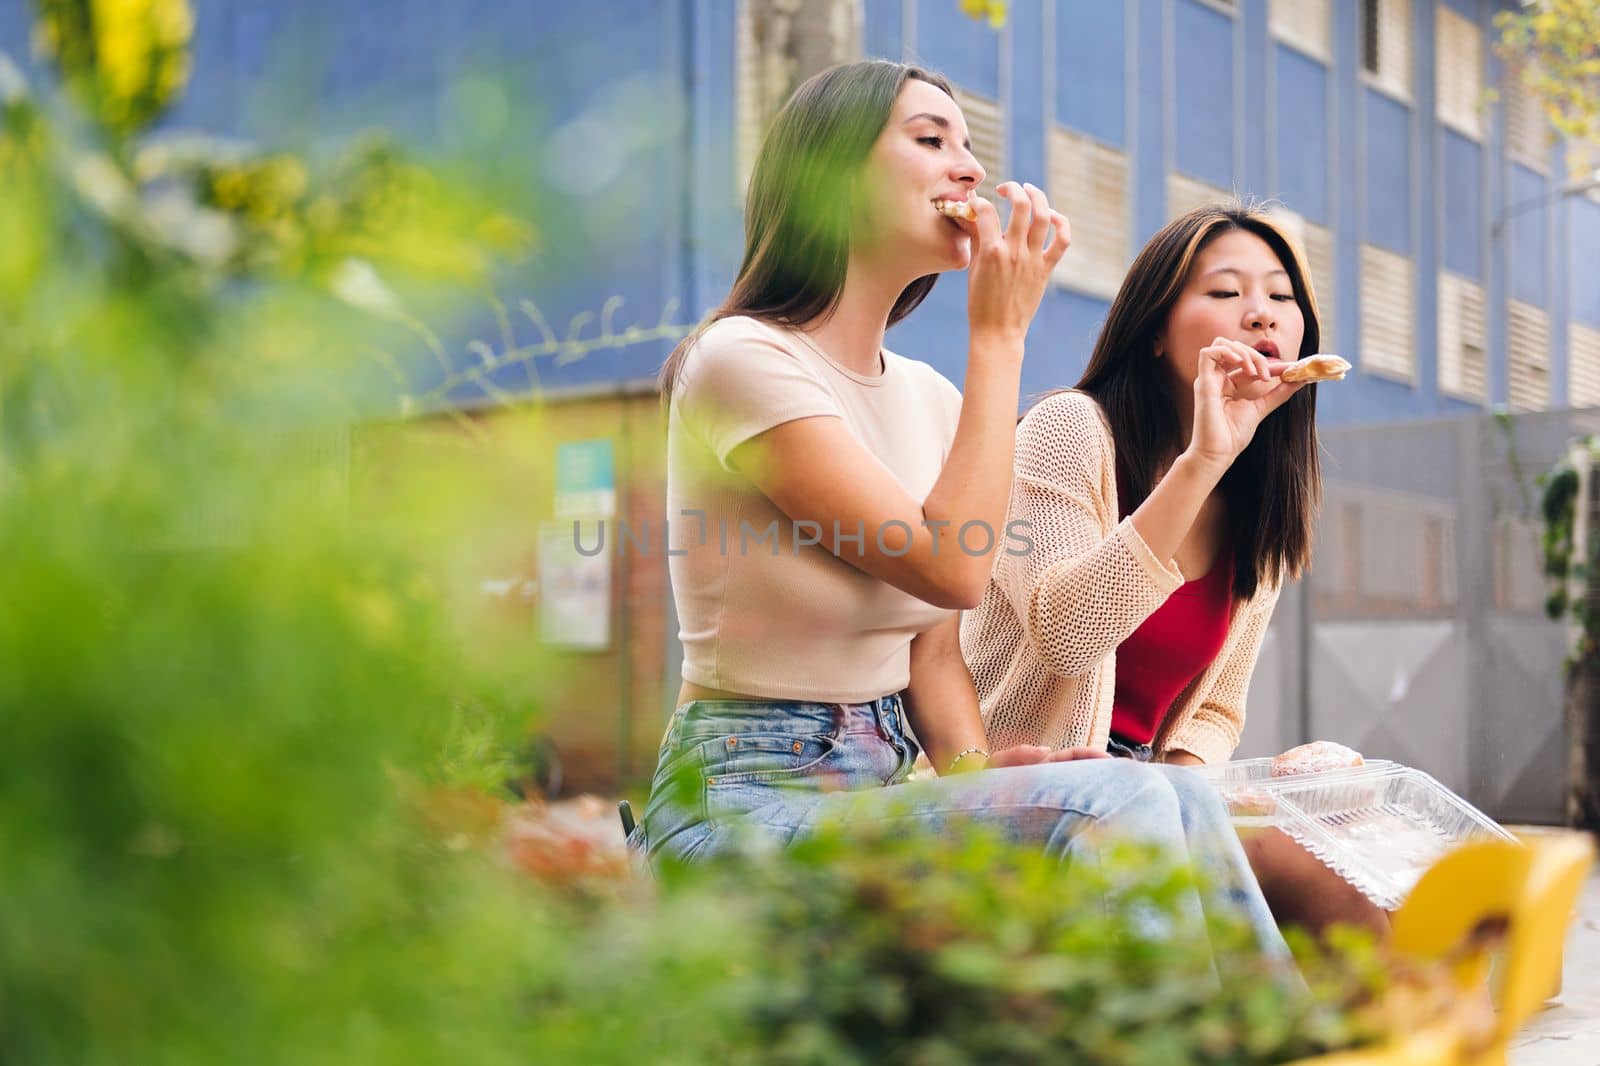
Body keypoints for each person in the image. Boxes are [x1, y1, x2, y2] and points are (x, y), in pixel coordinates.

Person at [633, 59, 1288, 957]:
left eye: (970, 143)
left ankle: (1272, 1037)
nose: (970, 168)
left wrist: (984, 777)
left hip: (886, 784)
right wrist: (1001, 335)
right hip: (743, 805)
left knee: (1176, 791)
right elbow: (951, 565)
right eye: (930, 139)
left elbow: (935, 646)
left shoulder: (933, 397)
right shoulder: (741, 361)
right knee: (1124, 797)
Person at [960, 203, 1386, 936]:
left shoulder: (1259, 494)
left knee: (1347, 866)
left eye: (1282, 297)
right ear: (1155, 330)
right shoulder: (1069, 431)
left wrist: (1216, 789)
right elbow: (1067, 633)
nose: (1262, 315)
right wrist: (1203, 462)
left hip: (1152, 790)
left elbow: (1216, 712)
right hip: (1027, 791)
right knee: (1313, 885)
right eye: (1225, 292)